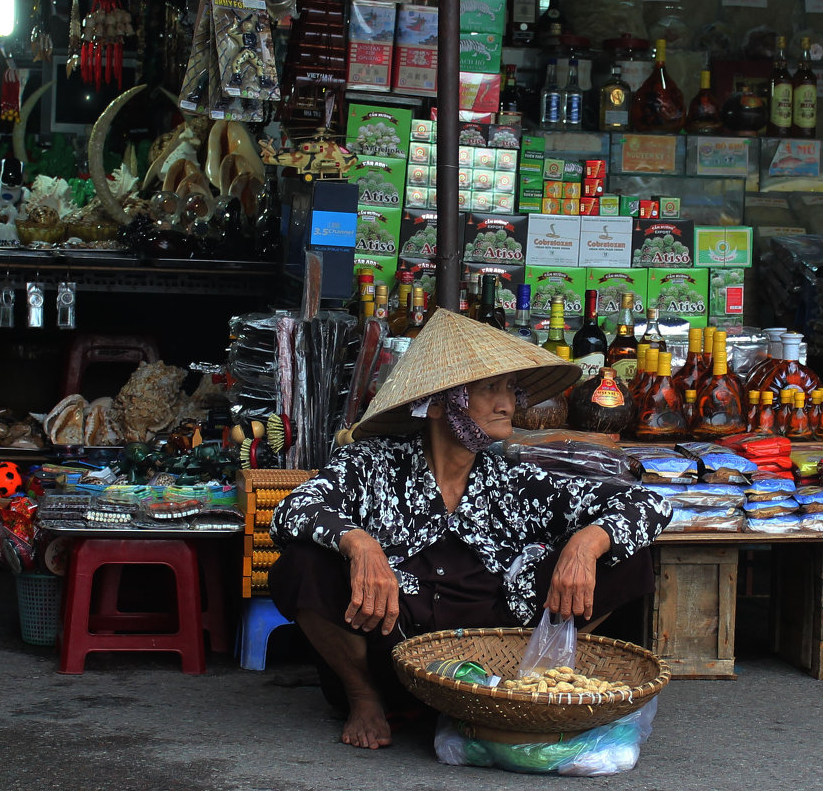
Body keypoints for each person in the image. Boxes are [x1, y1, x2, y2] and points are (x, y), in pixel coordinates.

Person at [269, 308, 669, 750]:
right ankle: (364, 697)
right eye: (489, 389)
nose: (508, 404)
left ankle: (529, 685)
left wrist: (585, 543)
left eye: (510, 390)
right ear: (439, 403)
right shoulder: (374, 463)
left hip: (494, 647)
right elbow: (293, 510)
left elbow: (647, 502)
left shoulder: (513, 480)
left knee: (628, 553)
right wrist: (359, 544)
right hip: (391, 639)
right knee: (301, 563)